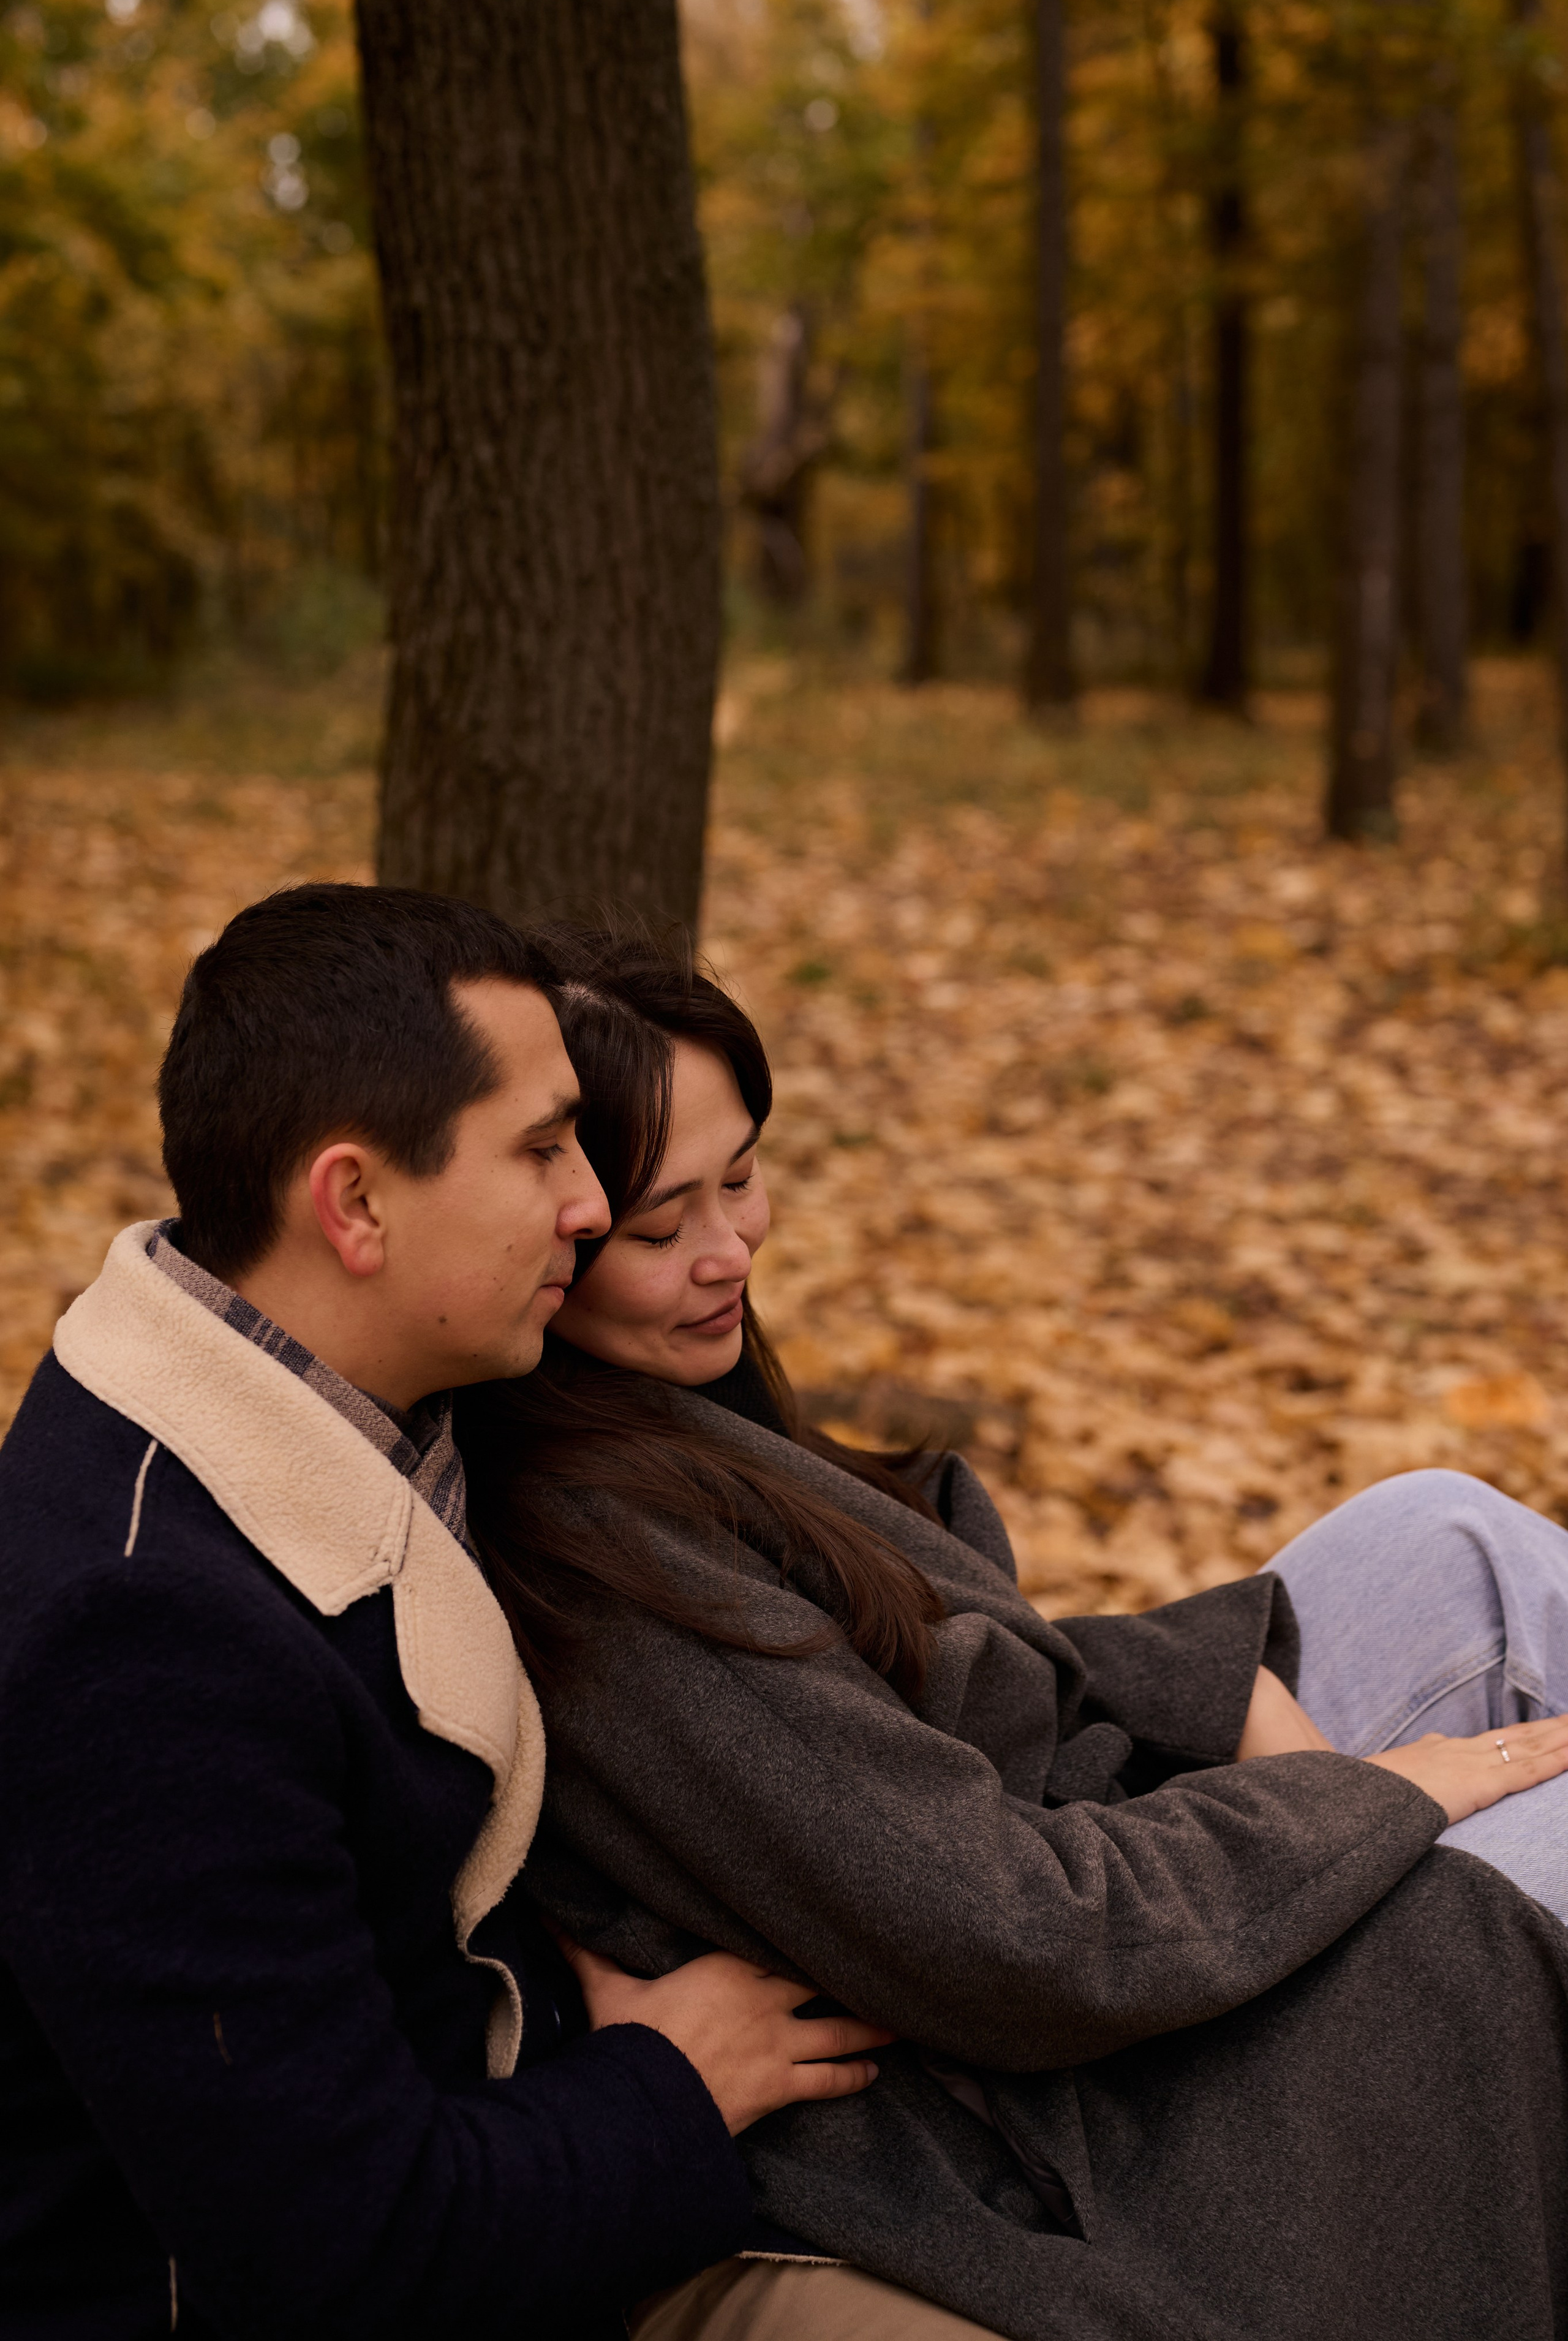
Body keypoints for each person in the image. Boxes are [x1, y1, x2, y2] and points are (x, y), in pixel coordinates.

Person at [456, 924, 1568, 2341]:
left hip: (1089, 1854)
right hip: (1059, 2095)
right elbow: (1019, 1943)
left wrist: (1213, 1690)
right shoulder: (602, 1563)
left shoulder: (666, 1399)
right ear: (555, 1233)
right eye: (665, 1226)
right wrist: (1361, 1800)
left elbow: (943, 1647)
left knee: (1440, 1534)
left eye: (742, 1178)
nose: (729, 1250)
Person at [0, 885, 892, 2341]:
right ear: (354, 1202)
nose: (593, 1206)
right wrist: (666, 2079)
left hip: (562, 2159)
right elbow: (343, 2251)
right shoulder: (142, 1638)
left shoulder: (365, 1401)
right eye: (541, 1150)